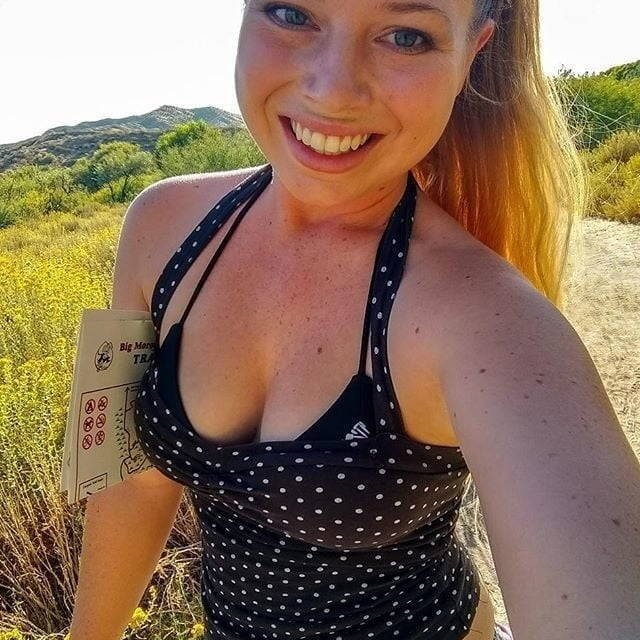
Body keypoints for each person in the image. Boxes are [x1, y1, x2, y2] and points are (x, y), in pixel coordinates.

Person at [69, 1, 640, 639]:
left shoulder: (488, 323)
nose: (332, 90)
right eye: (291, 13)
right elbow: (132, 479)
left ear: (469, 56)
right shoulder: (161, 229)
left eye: (406, 36)